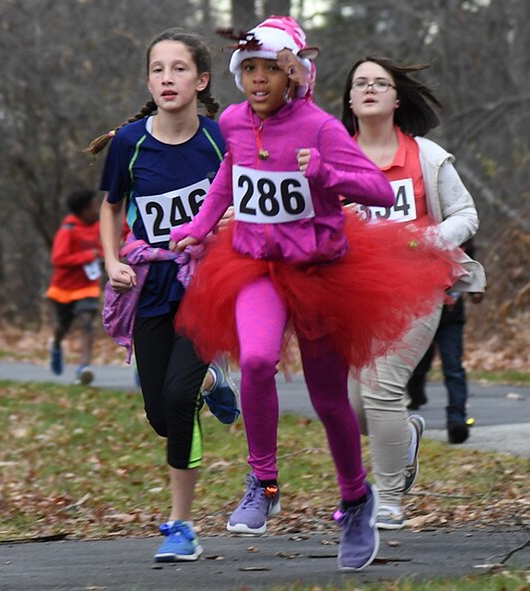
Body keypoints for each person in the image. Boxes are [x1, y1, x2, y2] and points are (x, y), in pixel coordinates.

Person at [169, 17, 461, 571]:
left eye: (269, 70)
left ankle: (355, 501)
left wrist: (325, 173)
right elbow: (231, 172)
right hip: (254, 265)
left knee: (329, 401)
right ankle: (264, 482)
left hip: (320, 272)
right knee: (256, 360)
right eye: (249, 69)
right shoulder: (232, 121)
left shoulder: (321, 128)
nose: (258, 80)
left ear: (294, 75)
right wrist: (200, 226)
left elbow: (376, 189)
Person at [95, 28, 238, 563]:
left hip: (208, 284)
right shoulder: (129, 142)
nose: (167, 78)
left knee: (179, 403)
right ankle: (213, 381)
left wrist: (229, 221)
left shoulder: (220, 139)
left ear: (201, 81)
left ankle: (182, 525)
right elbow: (112, 207)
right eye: (158, 70)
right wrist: (112, 261)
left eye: (179, 68)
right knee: (160, 413)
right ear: (149, 82)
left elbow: (246, 191)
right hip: (151, 285)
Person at [341, 58, 486, 529]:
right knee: (353, 407)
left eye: (379, 83)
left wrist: (429, 239)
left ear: (397, 98)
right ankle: (406, 435)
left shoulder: (425, 155)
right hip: (355, 293)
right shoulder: (334, 158)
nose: (369, 89)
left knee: (383, 386)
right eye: (360, 83)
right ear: (349, 99)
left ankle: (388, 499)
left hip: (418, 286)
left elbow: (467, 215)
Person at [407, 241, 483, 444]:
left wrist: (476, 290)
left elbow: (470, 267)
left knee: (453, 367)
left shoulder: (463, 238)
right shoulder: (421, 236)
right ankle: (416, 391)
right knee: (419, 364)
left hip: (451, 317)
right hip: (423, 313)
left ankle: (456, 420)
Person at [46, 189, 103, 385]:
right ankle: (56, 345)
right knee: (63, 326)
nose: (97, 210)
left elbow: (102, 251)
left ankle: (83, 368)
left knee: (86, 322)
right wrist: (88, 256)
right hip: (64, 288)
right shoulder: (68, 230)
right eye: (94, 207)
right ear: (84, 210)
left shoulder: (98, 228)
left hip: (87, 286)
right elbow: (58, 259)